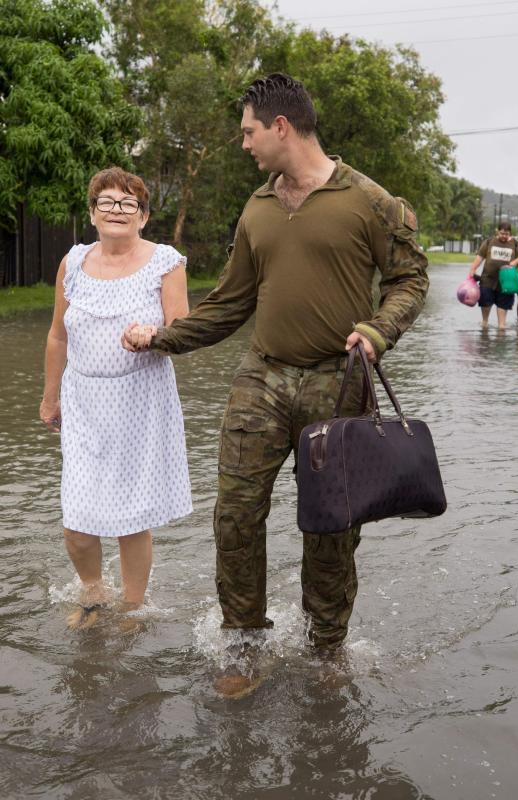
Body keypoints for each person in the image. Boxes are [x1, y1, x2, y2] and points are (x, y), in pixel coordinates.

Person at [122, 73, 428, 651]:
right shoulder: (257, 207)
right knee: (234, 516)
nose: (244, 144)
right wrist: (160, 338)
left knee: (333, 527)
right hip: (261, 376)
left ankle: (326, 649)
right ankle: (242, 644)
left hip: (338, 383)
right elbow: (230, 303)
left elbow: (410, 279)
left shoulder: (368, 200)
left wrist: (378, 330)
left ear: (281, 127)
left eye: (249, 132)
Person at [40, 167, 192, 629]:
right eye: (106, 202)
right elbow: (57, 336)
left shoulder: (166, 262)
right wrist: (50, 398)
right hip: (84, 399)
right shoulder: (74, 262)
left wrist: (154, 335)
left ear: (143, 216)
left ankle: (132, 606)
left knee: (130, 516)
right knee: (77, 516)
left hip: (140, 401)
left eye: (128, 204)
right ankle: (92, 593)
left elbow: (183, 330)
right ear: (92, 213)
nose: (117, 210)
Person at [468, 221, 518, 330]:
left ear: (510, 233)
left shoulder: (514, 243)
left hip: (506, 282)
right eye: (502, 233)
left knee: (503, 306)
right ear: (497, 232)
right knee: (485, 303)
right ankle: (485, 324)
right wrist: (473, 269)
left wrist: (514, 263)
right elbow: (480, 257)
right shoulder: (489, 242)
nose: (504, 236)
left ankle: (501, 328)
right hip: (487, 280)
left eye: (506, 234)